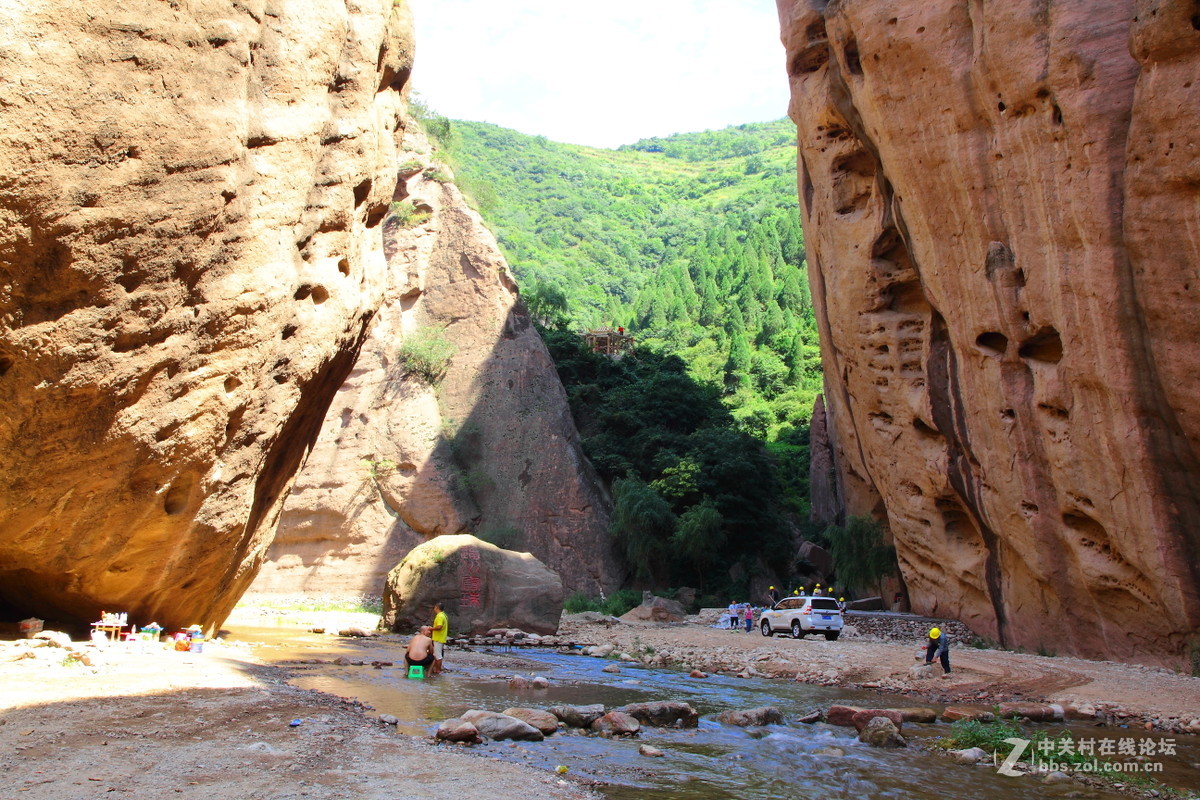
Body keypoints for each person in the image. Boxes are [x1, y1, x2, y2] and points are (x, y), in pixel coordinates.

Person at [430, 602, 449, 675]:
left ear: (437, 608)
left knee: (438, 655)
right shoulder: (444, 615)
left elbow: (439, 626)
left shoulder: (440, 616)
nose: (434, 609)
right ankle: (435, 668)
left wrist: (431, 629)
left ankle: (438, 670)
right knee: (436, 654)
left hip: (438, 638)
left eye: (435, 607)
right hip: (441, 637)